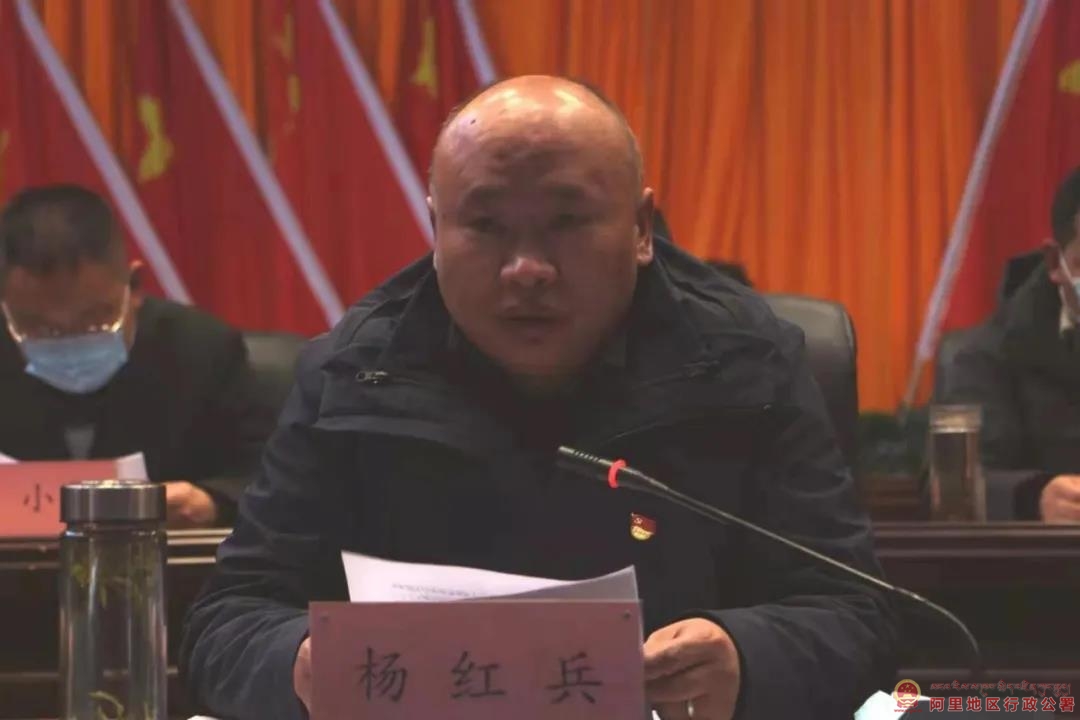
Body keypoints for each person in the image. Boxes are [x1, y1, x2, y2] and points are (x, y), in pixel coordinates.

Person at [180, 75, 897, 719]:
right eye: (486, 226)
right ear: (436, 229)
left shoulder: (747, 364)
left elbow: (860, 615)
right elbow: (227, 621)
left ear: (641, 229)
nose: (527, 269)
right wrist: (300, 665)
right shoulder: (353, 372)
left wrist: (747, 656)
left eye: (567, 222)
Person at [0, 184, 274, 527]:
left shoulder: (202, 349)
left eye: (94, 318)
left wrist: (212, 501)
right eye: (38, 326)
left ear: (134, 288)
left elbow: (272, 475)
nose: (69, 338)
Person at [940, 166, 1080, 523]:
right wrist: (1034, 497)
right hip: (1051, 554)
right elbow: (956, 484)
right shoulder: (986, 356)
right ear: (1056, 263)